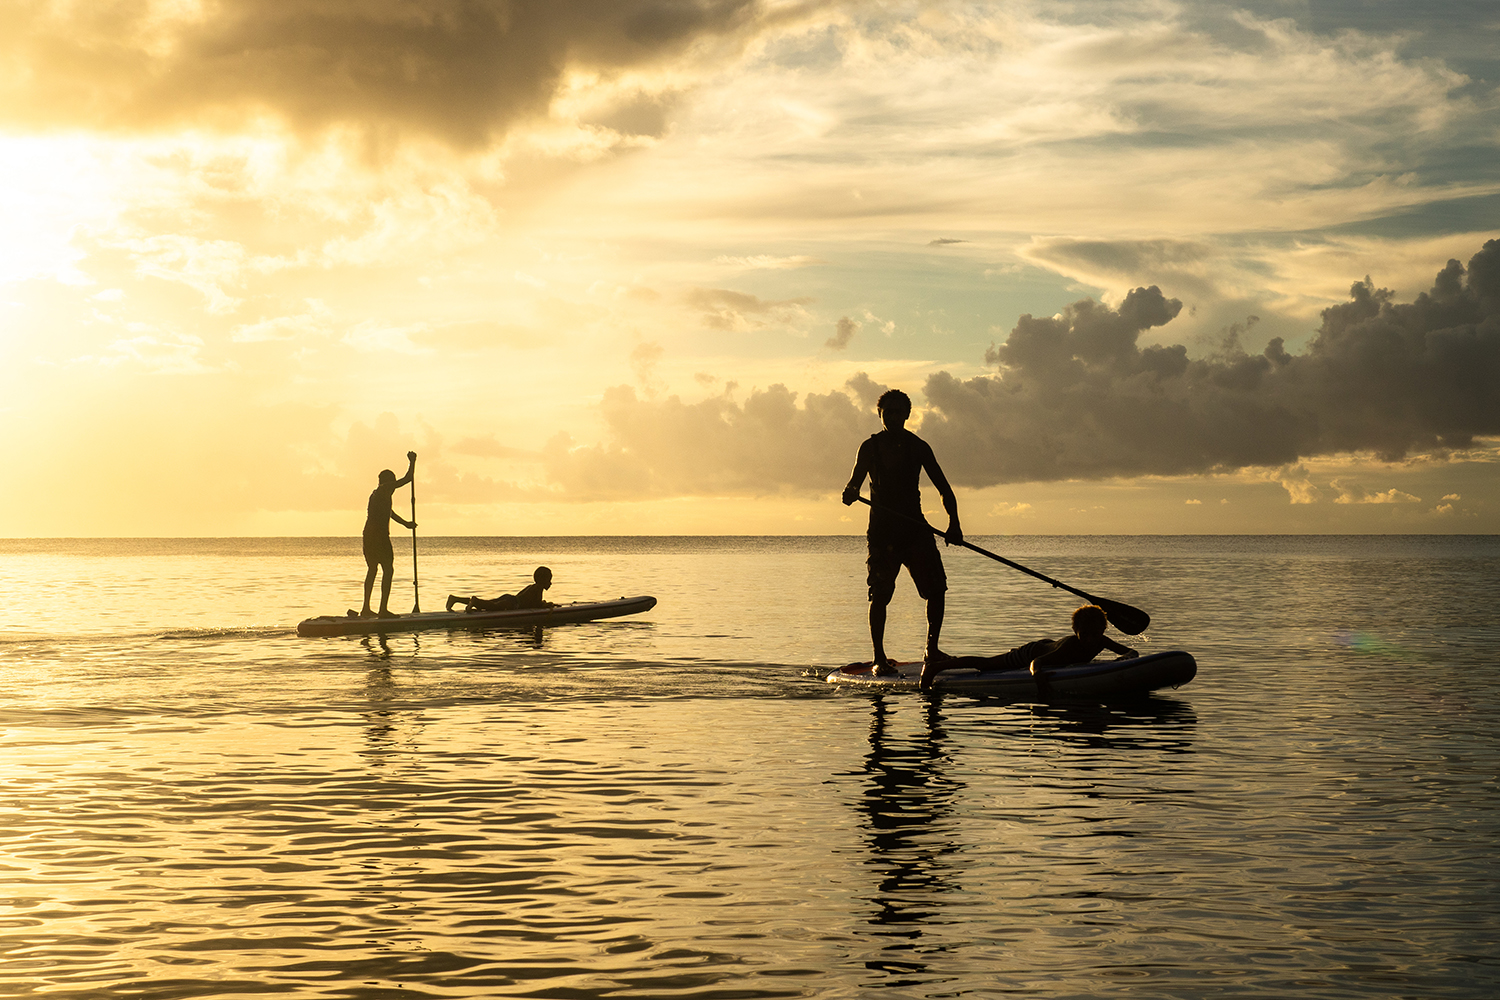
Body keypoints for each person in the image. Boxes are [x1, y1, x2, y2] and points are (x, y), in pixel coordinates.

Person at [841, 388, 962, 677]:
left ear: (907, 414)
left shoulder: (919, 447)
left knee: (937, 589)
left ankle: (931, 650)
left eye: (899, 412)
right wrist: (850, 492)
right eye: (888, 412)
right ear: (880, 414)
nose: (894, 417)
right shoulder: (869, 448)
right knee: (880, 595)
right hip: (883, 534)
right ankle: (878, 658)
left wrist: (954, 524)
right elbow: (854, 482)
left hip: (915, 529)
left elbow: (944, 489)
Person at [919, 604, 1138, 691]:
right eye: (1085, 635)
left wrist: (1124, 660)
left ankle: (944, 661)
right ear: (1075, 631)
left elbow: (1129, 652)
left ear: (1102, 631)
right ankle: (936, 667)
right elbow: (1036, 663)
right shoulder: (1071, 645)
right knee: (986, 665)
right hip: (1031, 653)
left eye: (1095, 635)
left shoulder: (1101, 641)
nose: (1090, 640)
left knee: (986, 664)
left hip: (1046, 646)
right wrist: (1038, 676)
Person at [361, 451, 417, 619]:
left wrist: (406, 523)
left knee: (372, 570)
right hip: (378, 537)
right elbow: (408, 479)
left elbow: (390, 513)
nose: (393, 489)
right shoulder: (385, 488)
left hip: (369, 536)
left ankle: (365, 609)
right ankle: (382, 610)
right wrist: (412, 462)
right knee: (388, 570)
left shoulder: (377, 495)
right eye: (392, 484)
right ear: (388, 482)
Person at [446, 566, 555, 613]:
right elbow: (536, 604)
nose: (550, 583)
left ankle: (455, 599)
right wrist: (545, 605)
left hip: (509, 599)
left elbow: (533, 602)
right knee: (490, 606)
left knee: (487, 603)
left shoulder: (533, 586)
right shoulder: (538, 588)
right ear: (542, 580)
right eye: (549, 580)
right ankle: (474, 601)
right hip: (511, 604)